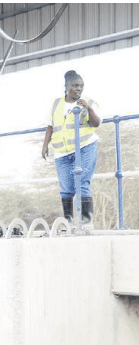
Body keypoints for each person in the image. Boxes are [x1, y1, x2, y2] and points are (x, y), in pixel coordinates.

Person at [41, 70, 101, 227]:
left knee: (82, 181)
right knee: (66, 187)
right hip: (62, 152)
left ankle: (86, 222)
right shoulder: (56, 104)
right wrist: (45, 145)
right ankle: (68, 222)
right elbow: (50, 126)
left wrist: (89, 109)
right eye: (75, 86)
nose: (79, 89)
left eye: (81, 86)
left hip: (85, 146)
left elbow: (96, 124)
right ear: (66, 86)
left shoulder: (89, 102)